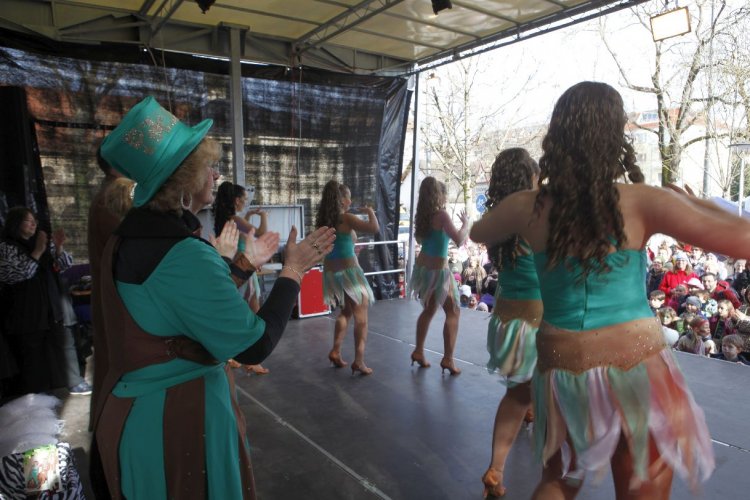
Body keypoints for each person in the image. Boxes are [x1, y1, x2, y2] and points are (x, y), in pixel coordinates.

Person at [469, 82, 735, 498]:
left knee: (559, 478)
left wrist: (514, 203)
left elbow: (478, 231)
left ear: (557, 136)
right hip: (634, 365)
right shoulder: (642, 200)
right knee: (641, 481)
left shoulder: (529, 206)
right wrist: (701, 205)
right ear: (615, 136)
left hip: (559, 365)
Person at [92, 96, 335, 499]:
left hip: (138, 414)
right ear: (184, 181)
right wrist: (293, 270)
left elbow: (179, 304)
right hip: (175, 422)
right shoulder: (180, 252)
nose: (215, 174)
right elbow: (253, 344)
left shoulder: (129, 239)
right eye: (208, 167)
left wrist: (240, 266)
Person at [474, 148, 542, 498]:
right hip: (537, 320)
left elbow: (474, 232)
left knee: (518, 393)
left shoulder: (498, 219)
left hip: (507, 318)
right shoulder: (535, 215)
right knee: (550, 392)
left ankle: (496, 469)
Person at [0, 207, 90, 396]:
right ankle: (36, 393)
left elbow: (64, 265)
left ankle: (74, 381)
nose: (33, 224)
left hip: (52, 301)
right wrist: (38, 251)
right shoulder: (7, 246)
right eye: (28, 221)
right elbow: (19, 274)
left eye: (34, 220)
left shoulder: (41, 242)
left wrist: (58, 247)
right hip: (26, 309)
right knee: (33, 352)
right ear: (16, 223)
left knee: (64, 340)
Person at [316, 180, 379, 375]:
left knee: (346, 311)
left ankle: (335, 350)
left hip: (332, 272)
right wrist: (370, 211)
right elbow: (374, 228)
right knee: (362, 315)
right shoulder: (346, 218)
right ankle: (358, 361)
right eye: (348, 197)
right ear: (342, 200)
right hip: (349, 272)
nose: (351, 201)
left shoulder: (325, 221)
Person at [409, 176, 469, 375]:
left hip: (424, 269)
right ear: (438, 195)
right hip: (438, 272)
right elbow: (459, 239)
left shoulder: (422, 217)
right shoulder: (441, 215)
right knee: (454, 311)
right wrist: (466, 224)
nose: (446, 199)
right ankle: (448, 359)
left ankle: (418, 351)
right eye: (445, 195)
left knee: (429, 310)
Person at [213, 181, 270, 375]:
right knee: (254, 310)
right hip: (243, 270)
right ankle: (252, 358)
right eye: (244, 199)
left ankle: (235, 355)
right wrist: (263, 216)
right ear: (236, 200)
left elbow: (242, 234)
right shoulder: (235, 219)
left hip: (235, 268)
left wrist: (249, 216)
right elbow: (261, 233)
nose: (246, 202)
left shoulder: (227, 219)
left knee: (241, 310)